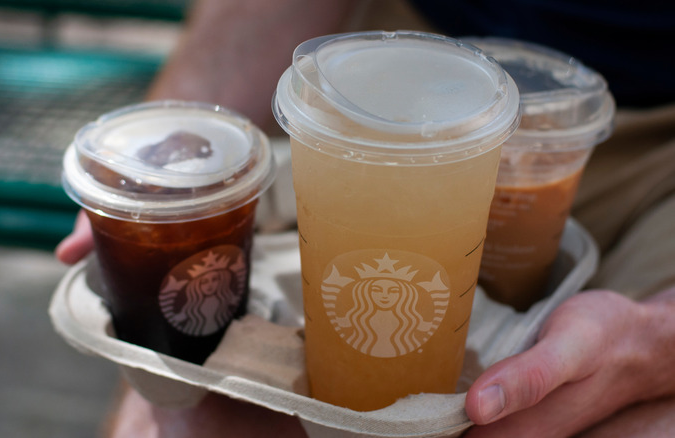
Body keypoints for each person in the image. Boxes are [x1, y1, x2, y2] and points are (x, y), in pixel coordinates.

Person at [55, 0, 675, 436]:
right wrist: (159, 175)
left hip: (661, 150)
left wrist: (658, 338)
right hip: (396, 67)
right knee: (182, 417)